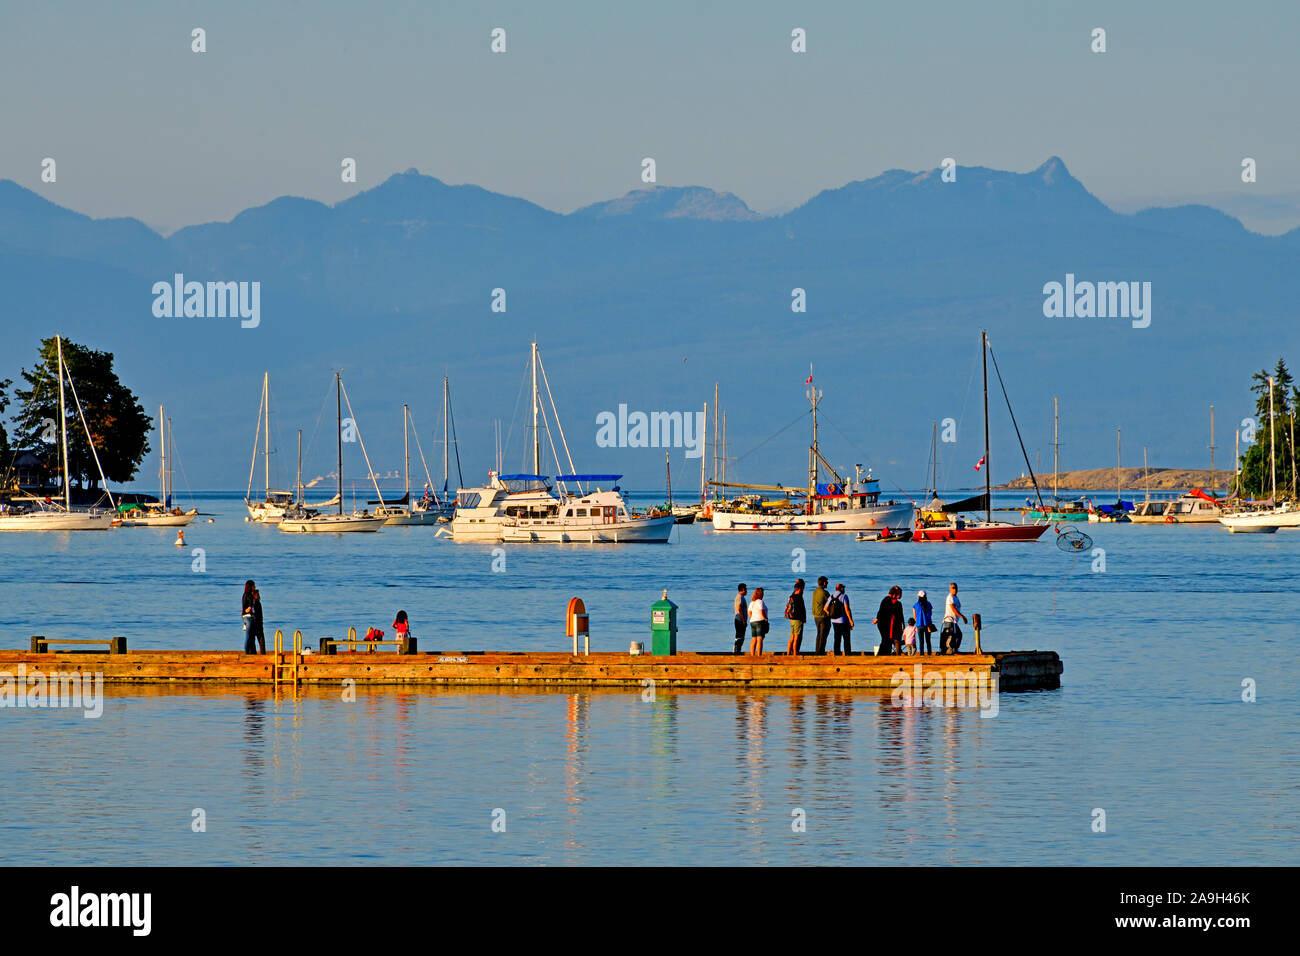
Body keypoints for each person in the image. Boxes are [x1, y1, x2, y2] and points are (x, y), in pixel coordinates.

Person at [873, 586, 904, 655]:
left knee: (886, 640)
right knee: (886, 639)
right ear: (895, 594)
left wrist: (877, 618)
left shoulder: (888, 600)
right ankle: (882, 653)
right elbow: (881, 611)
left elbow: (880, 611)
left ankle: (885, 653)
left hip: (885, 624)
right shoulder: (888, 600)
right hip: (884, 624)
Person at [824, 583, 852, 655]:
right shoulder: (844, 596)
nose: (844, 589)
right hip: (843, 620)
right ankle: (848, 654)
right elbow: (847, 609)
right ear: (841, 588)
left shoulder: (831, 597)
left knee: (837, 638)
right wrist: (851, 620)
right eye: (843, 588)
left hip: (834, 621)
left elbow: (825, 608)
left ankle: (837, 653)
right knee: (846, 638)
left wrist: (829, 614)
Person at [942, 581, 968, 654]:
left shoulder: (955, 597)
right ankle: (949, 651)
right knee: (951, 636)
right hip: (949, 620)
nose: (954, 589)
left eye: (955, 588)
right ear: (950, 589)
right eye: (953, 588)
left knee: (958, 635)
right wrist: (962, 617)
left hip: (954, 621)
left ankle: (955, 649)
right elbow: (953, 609)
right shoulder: (950, 597)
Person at [242, 581, 265, 654]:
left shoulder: (258, 604)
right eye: (256, 594)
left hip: (257, 623)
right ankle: (252, 653)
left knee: (260, 640)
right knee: (251, 640)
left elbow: (260, 615)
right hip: (253, 622)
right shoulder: (249, 598)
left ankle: (262, 654)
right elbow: (247, 610)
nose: (258, 596)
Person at [784, 579, 806, 656]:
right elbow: (801, 610)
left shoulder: (792, 596)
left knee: (791, 638)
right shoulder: (799, 598)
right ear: (800, 589)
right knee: (796, 638)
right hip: (797, 620)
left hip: (792, 620)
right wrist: (803, 619)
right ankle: (795, 654)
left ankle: (788, 653)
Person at [810, 576, 831, 654]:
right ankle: (820, 652)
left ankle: (817, 651)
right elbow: (830, 603)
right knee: (823, 635)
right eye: (827, 582)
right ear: (824, 583)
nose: (827, 584)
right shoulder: (825, 593)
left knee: (819, 634)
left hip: (816, 616)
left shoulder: (815, 591)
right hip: (823, 616)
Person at [748, 587, 769, 655]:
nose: (763, 595)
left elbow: (749, 613)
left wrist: (754, 617)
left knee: (754, 639)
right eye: (762, 593)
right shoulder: (760, 601)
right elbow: (761, 611)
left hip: (752, 622)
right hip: (760, 621)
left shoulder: (752, 602)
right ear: (760, 594)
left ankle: (752, 655)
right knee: (759, 639)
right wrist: (765, 618)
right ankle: (759, 656)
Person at [913, 590, 935, 655]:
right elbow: (930, 614)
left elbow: (914, 617)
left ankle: (922, 654)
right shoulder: (929, 604)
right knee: (928, 641)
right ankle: (929, 653)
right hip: (928, 625)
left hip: (919, 625)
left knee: (921, 641)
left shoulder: (916, 605)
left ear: (918, 596)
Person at [732, 583, 749, 654]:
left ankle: (737, 650)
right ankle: (736, 650)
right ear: (743, 590)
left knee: (740, 635)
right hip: (739, 619)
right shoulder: (740, 597)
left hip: (739, 618)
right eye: (746, 589)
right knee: (740, 635)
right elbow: (739, 608)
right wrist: (744, 620)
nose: (747, 591)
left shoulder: (740, 597)